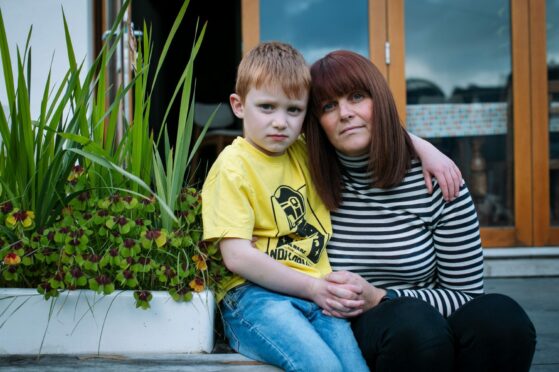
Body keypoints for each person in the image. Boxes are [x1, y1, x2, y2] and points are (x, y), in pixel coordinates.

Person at [303, 49, 537, 372]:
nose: (344, 113)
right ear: (317, 123)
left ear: (379, 101)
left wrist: (382, 296)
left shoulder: (436, 179)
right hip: (354, 327)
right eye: (328, 106)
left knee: (503, 320)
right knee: (414, 329)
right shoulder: (304, 179)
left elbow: (466, 295)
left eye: (357, 97)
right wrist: (373, 304)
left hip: (429, 320)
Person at [201, 41, 369, 372]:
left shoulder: (306, 152)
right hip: (253, 298)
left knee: (355, 367)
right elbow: (236, 256)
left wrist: (425, 150)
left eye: (293, 110)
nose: (281, 122)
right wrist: (313, 287)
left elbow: (369, 134)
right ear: (238, 105)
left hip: (316, 296)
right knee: (323, 367)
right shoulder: (233, 166)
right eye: (267, 107)